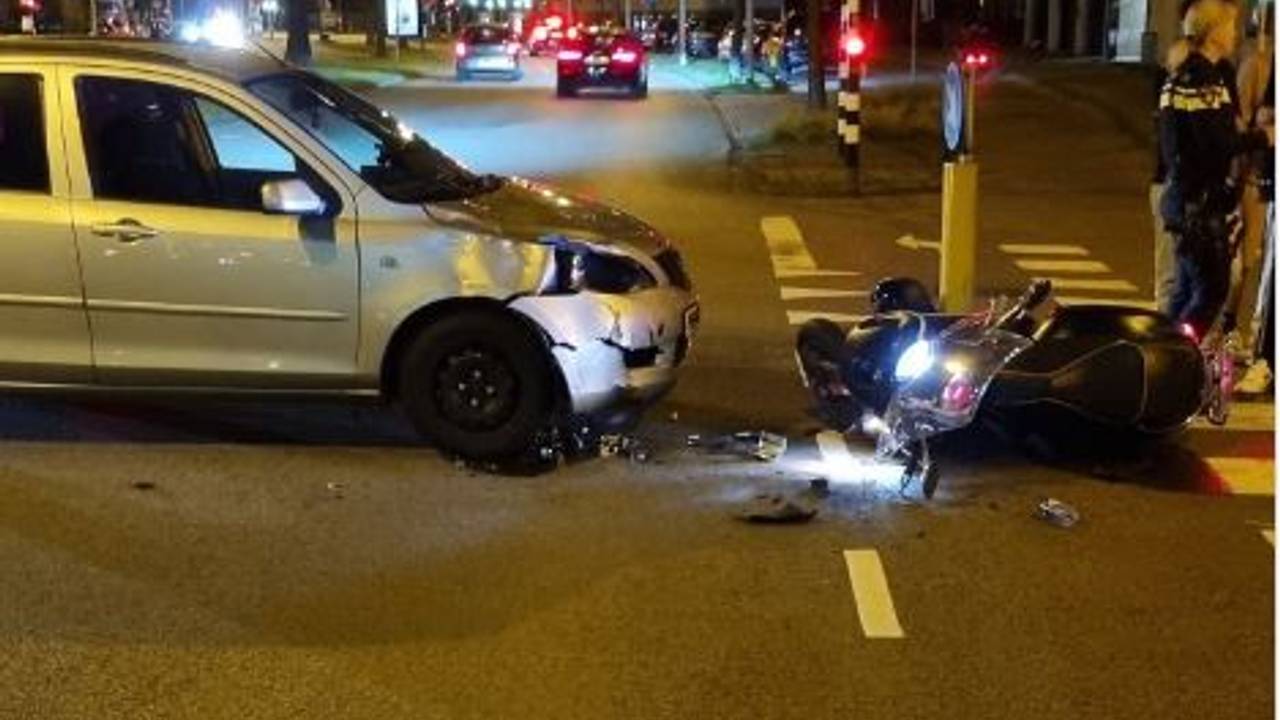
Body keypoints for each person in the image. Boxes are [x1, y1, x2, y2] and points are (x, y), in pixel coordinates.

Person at [1159, 0, 1273, 340]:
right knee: (1210, 291)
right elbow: (1217, 143)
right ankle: (1179, 355)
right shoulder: (1204, 80)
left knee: (1184, 290)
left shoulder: (1183, 75)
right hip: (1199, 203)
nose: (1235, 32)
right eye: (1229, 25)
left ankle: (1163, 353)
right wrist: (1264, 137)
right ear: (1212, 32)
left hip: (1184, 198)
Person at [1235, 2, 1275, 392]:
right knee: (1263, 268)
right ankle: (1260, 351)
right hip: (1266, 182)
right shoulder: (1263, 64)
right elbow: (1258, 117)